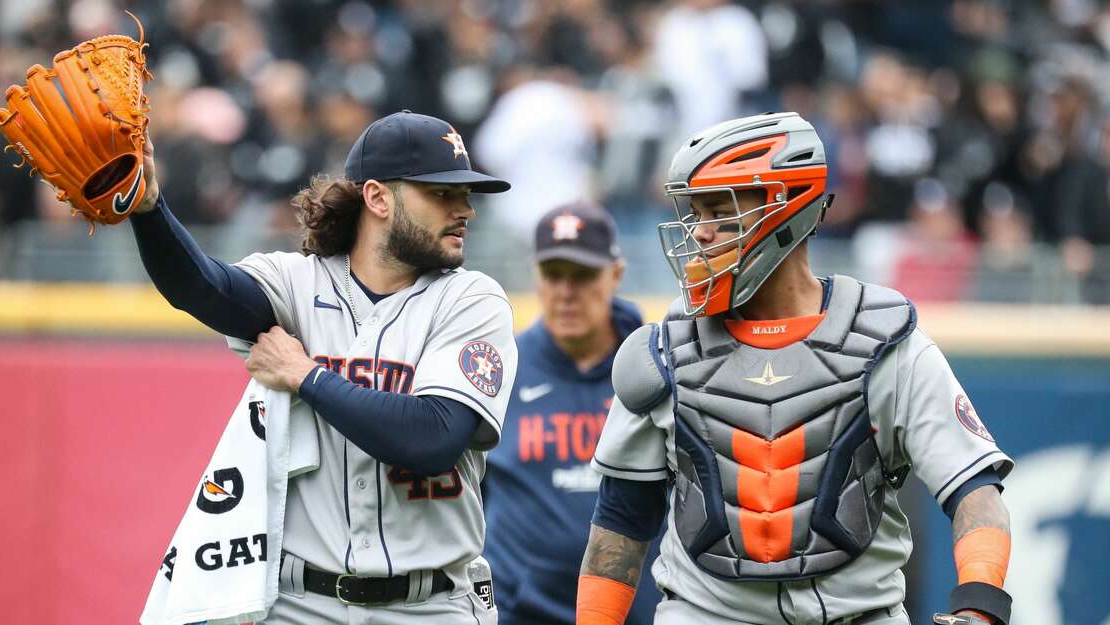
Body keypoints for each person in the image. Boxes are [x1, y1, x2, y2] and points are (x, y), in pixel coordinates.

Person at [575, 112, 1015, 625]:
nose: (700, 234)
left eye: (720, 210)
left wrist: (980, 607)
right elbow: (619, 525)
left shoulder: (885, 341)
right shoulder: (662, 352)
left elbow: (974, 490)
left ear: (786, 209)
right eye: (695, 215)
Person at [130, 110, 518, 624]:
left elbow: (432, 439)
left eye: (465, 195)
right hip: (301, 603)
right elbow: (200, 287)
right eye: (442, 194)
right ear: (378, 198)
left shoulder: (471, 300)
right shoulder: (296, 284)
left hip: (431, 606)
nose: (465, 209)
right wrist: (148, 207)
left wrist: (307, 376)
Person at [482, 202, 662, 625]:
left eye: (582, 276)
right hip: (519, 612)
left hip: (634, 614)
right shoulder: (499, 369)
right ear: (535, 275)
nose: (566, 292)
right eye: (553, 275)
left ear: (615, 274)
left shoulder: (656, 369)